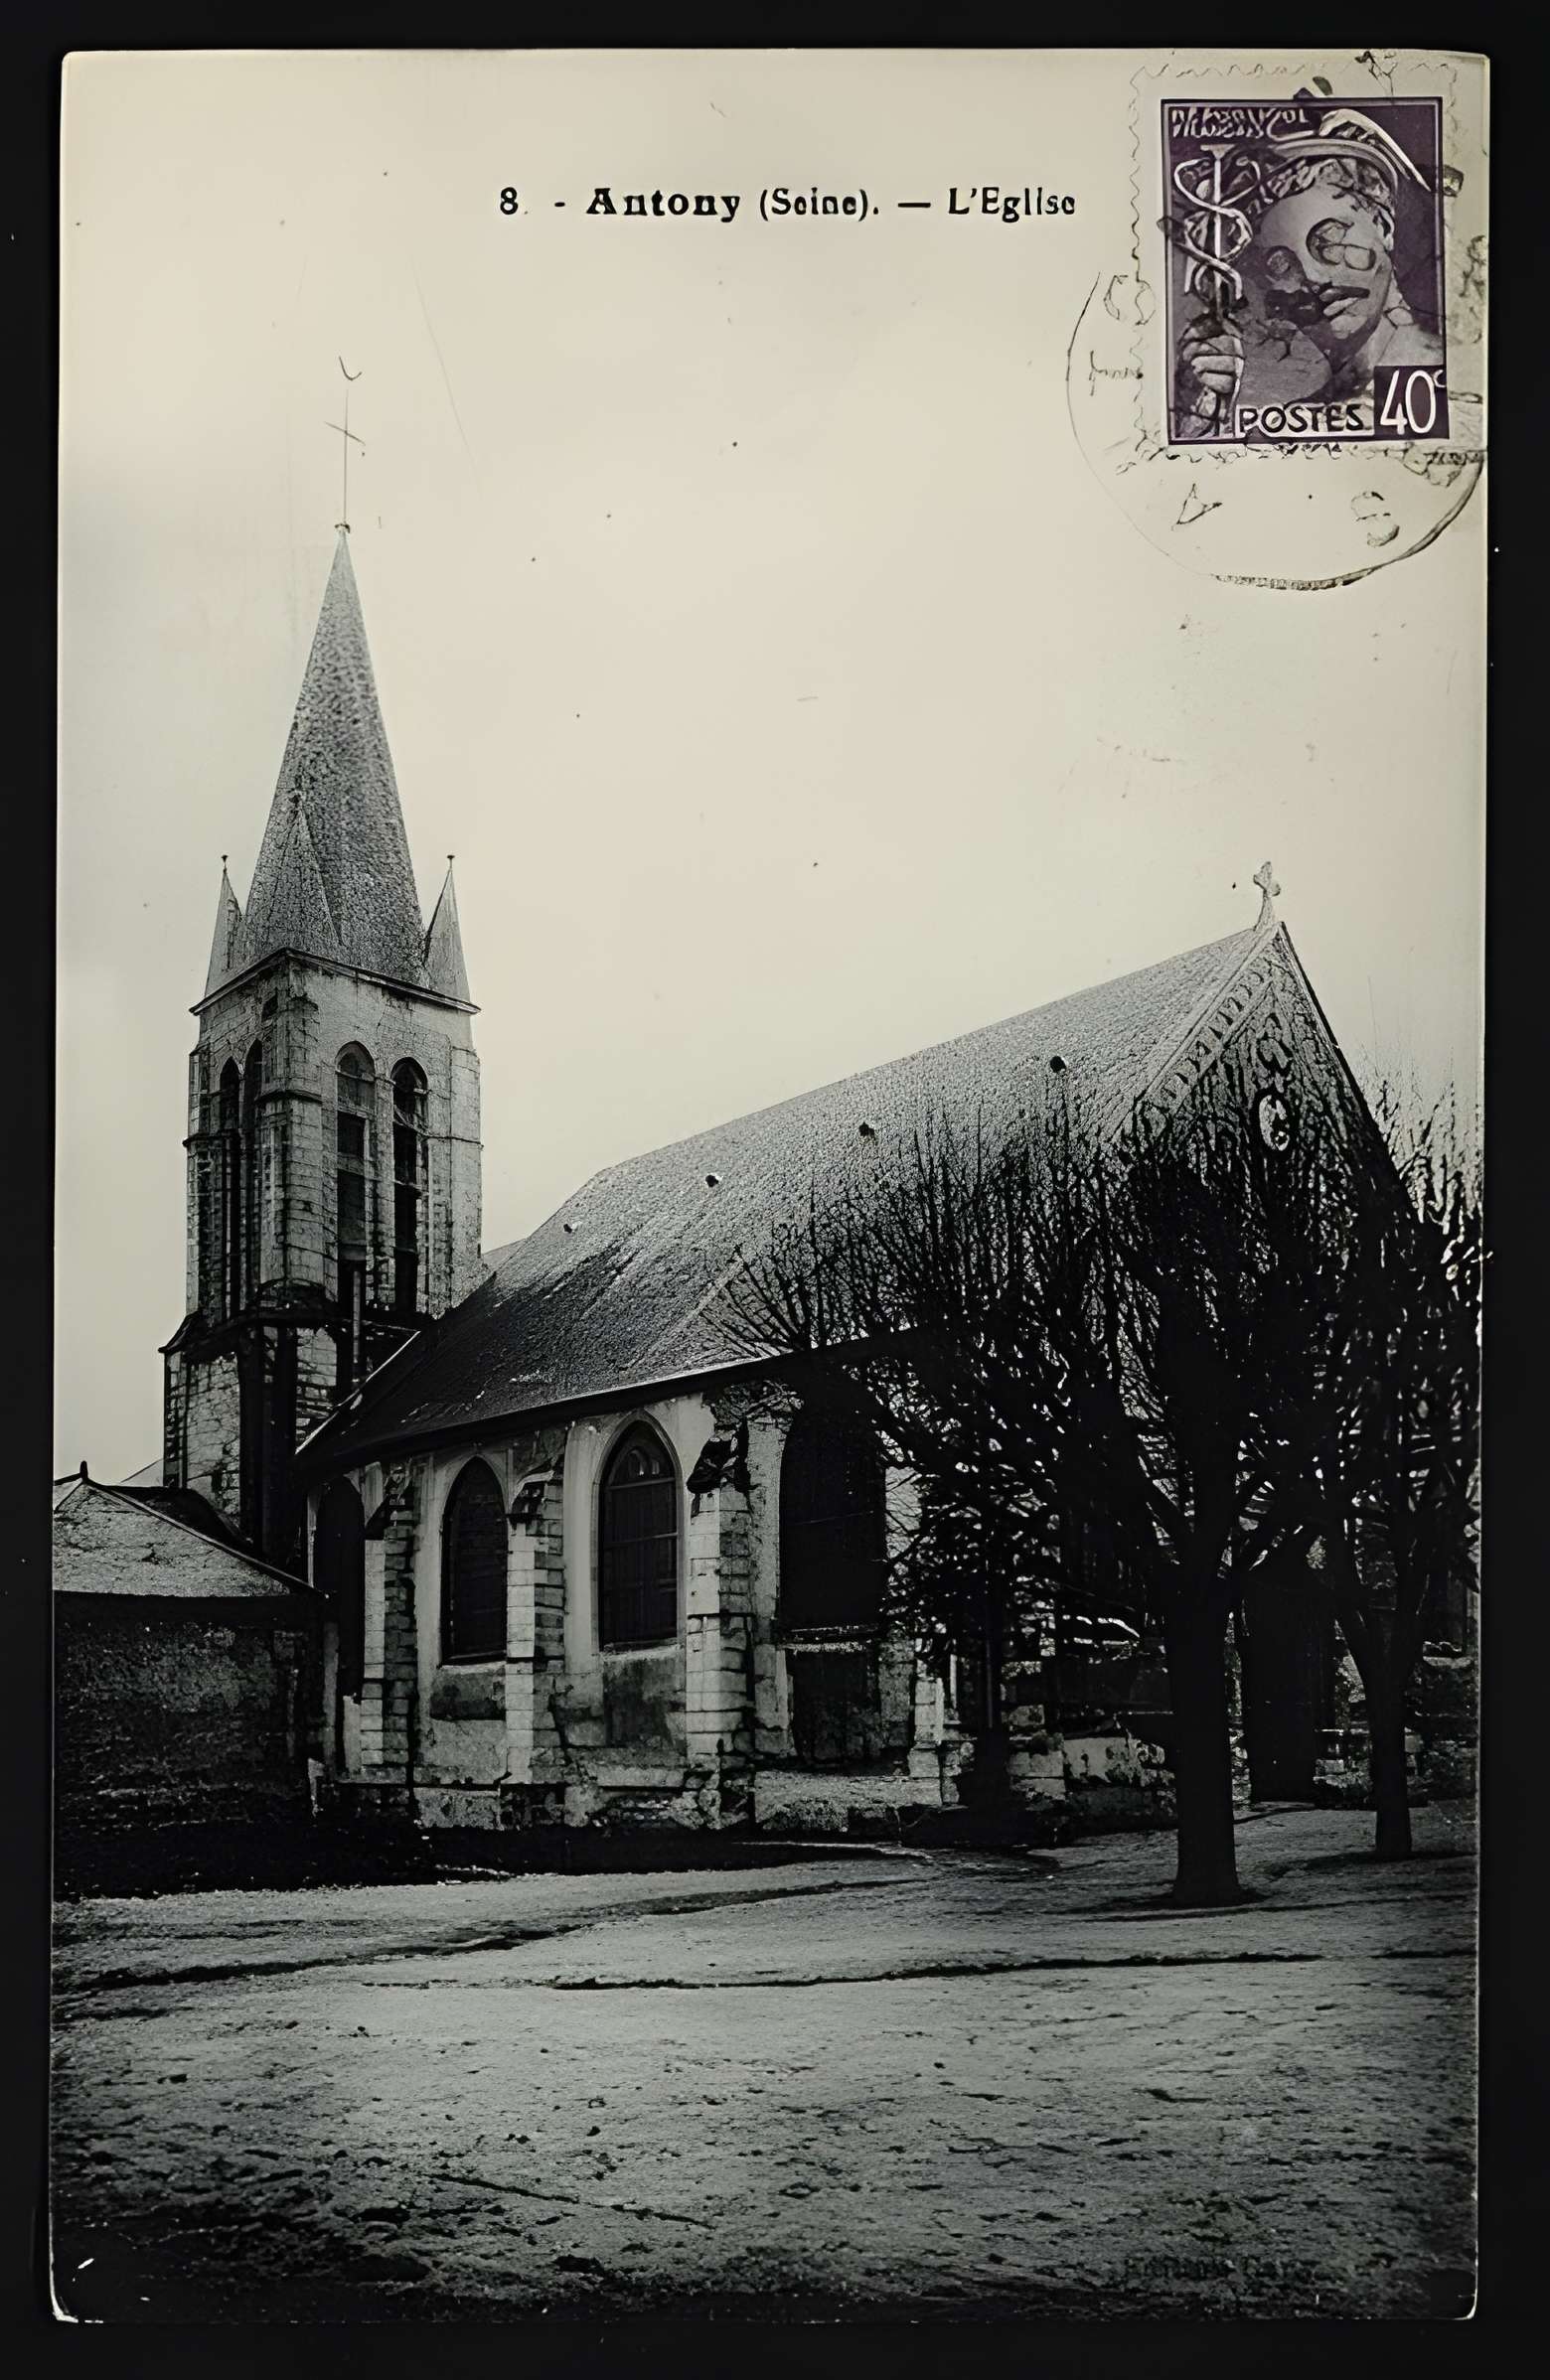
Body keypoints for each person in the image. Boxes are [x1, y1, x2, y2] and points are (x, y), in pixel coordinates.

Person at [1174, 110, 1443, 438]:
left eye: (1329, 241)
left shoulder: (1450, 388)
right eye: (1281, 265)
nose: (1313, 278)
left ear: (1384, 228)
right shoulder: (1301, 415)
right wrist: (1202, 417)